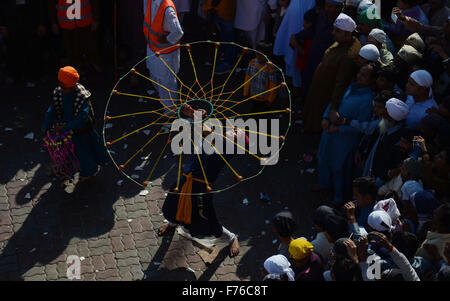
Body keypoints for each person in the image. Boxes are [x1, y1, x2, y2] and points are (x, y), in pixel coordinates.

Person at [157, 128, 249, 257]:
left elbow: (207, 132)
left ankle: (231, 238)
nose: (233, 130)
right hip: (183, 182)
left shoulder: (228, 150)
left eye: (236, 133)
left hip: (200, 190)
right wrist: (193, 114)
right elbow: (202, 130)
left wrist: (196, 116)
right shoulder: (213, 138)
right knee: (171, 207)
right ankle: (172, 222)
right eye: (234, 129)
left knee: (207, 221)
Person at [316, 63, 377, 204]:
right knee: (323, 158)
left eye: (364, 75)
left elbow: (361, 125)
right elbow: (334, 103)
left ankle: (338, 197)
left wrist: (339, 129)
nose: (359, 77)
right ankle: (324, 184)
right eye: (359, 73)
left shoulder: (368, 100)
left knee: (340, 168)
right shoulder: (350, 87)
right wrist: (325, 117)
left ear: (372, 80)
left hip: (345, 139)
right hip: (330, 132)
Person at [41, 66, 108, 182]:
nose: (62, 88)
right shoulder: (58, 92)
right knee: (68, 152)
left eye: (64, 86)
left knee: (85, 153)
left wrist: (67, 126)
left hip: (82, 131)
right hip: (67, 130)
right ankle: (67, 170)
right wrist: (46, 125)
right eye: (60, 85)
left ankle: (89, 173)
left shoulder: (82, 96)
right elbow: (52, 109)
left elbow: (82, 118)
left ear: (72, 86)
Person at [303, 12, 362, 133]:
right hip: (318, 89)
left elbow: (341, 82)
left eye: (337, 31)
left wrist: (333, 106)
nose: (333, 33)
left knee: (318, 124)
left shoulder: (348, 55)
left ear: (347, 33)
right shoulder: (341, 42)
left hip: (326, 94)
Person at [143, 0, 184, 124]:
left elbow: (178, 32)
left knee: (167, 83)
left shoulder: (167, 8)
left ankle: (170, 112)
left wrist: (166, 40)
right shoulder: (150, 1)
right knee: (156, 78)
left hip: (165, 54)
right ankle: (165, 102)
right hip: (153, 49)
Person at [362, 98, 410, 187]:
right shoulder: (385, 127)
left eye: (385, 113)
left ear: (391, 117)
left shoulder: (399, 138)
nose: (381, 114)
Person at [301, 0, 344, 99]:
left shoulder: (342, 23)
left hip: (327, 62)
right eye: (327, 6)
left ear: (339, 7)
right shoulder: (322, 15)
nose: (328, 9)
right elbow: (313, 31)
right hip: (313, 56)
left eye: (330, 6)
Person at [49, 0, 102, 73]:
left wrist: (96, 18)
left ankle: (92, 66)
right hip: (66, 24)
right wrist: (53, 23)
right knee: (70, 52)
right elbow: (51, 4)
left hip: (85, 22)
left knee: (90, 48)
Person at [273, 0, 316, 88]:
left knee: (296, 53)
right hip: (292, 15)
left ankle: (296, 85)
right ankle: (289, 78)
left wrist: (303, 29)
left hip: (301, 20)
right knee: (289, 49)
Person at [243, 41, 279, 112]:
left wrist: (270, 100)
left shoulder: (270, 68)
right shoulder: (252, 63)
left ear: (268, 55)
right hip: (252, 95)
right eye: (257, 54)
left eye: (261, 55)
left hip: (264, 99)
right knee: (253, 112)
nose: (258, 57)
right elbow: (247, 79)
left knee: (263, 115)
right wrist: (245, 93)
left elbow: (273, 86)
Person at [202, 0, 237, 74]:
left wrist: (206, 7)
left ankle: (228, 63)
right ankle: (222, 58)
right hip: (220, 11)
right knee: (223, 37)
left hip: (225, 12)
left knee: (228, 39)